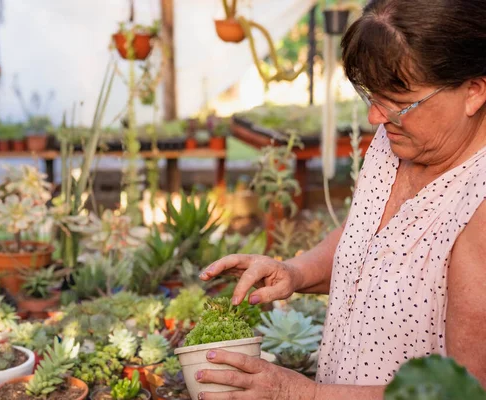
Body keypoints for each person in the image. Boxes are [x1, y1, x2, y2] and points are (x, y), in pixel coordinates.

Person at [195, 0, 486, 398]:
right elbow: (370, 239)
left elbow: (465, 392)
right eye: (371, 95)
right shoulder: (394, 143)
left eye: (400, 104)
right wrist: (294, 272)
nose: (375, 118)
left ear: (473, 92)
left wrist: (299, 393)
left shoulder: (478, 203)